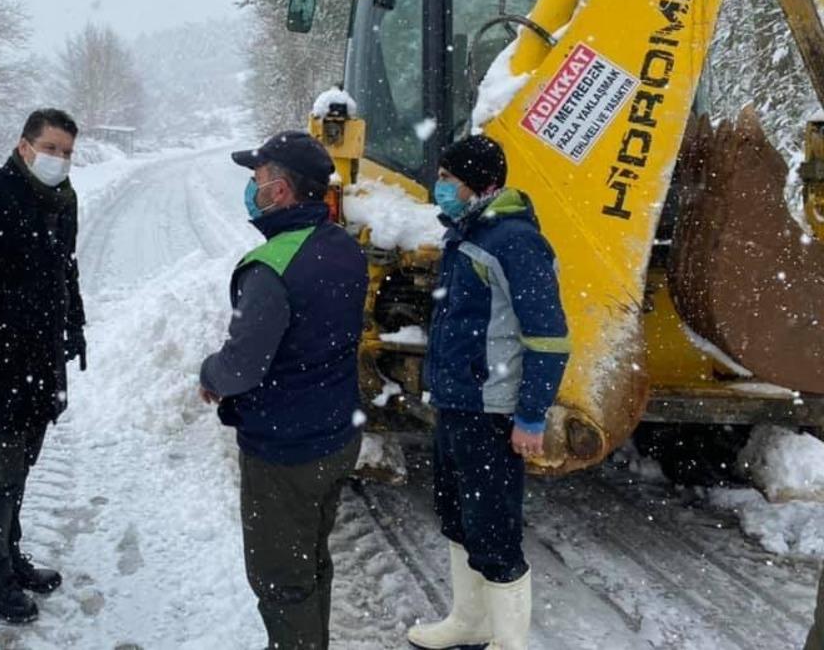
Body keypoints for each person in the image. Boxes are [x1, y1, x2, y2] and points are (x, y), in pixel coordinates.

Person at [200, 130, 368, 650]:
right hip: (336, 435)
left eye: (257, 180)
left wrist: (210, 375)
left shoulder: (271, 267)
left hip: (284, 451)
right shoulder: (343, 246)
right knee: (313, 559)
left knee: (280, 578)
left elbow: (241, 367)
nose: (252, 190)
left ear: (280, 191)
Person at [408, 134, 570, 650]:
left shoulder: (514, 241)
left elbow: (548, 336)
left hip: (492, 410)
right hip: (458, 402)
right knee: (456, 514)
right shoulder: (468, 234)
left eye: (448, 179)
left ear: (483, 184)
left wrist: (531, 416)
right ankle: (469, 621)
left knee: (494, 529)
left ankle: (509, 643)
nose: (440, 188)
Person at [0, 108, 86, 624]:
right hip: (0, 364)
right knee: (1, 474)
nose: (60, 160)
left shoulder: (63, 201)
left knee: (24, 464)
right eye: (51, 148)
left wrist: (75, 324)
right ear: (25, 146)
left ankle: (12, 556)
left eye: (68, 152)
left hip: (41, 360)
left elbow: (65, 269)